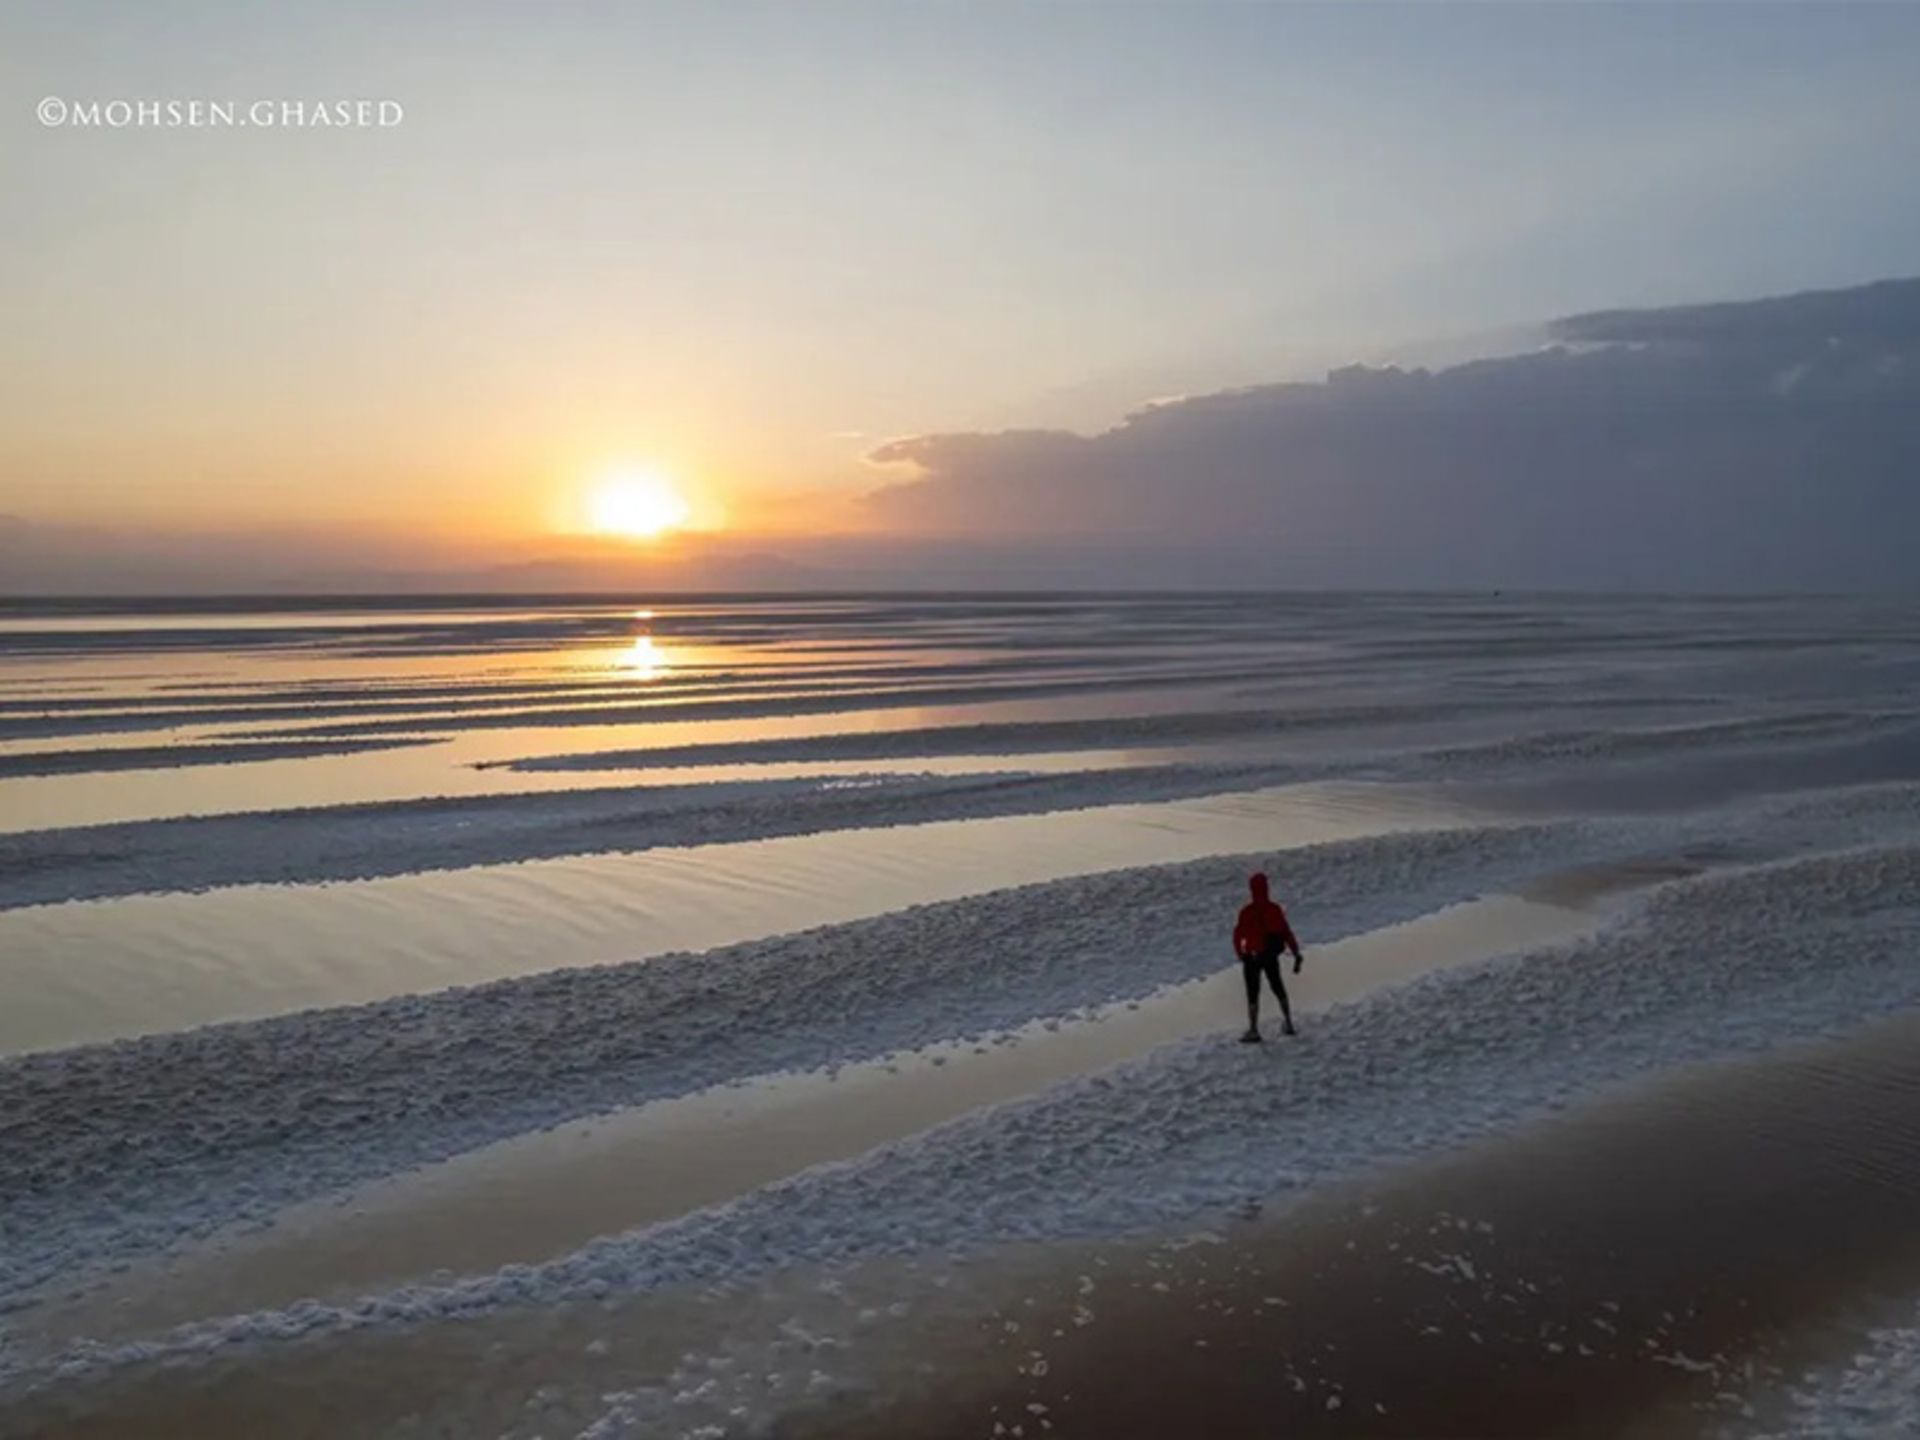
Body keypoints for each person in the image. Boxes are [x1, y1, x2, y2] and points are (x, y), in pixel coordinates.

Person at [1231, 872, 1303, 1043]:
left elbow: (1238, 936)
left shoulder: (1246, 912)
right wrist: (1295, 952)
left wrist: (1241, 954)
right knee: (1278, 987)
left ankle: (1254, 1029)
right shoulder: (1274, 909)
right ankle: (1288, 1022)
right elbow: (1286, 932)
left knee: (1253, 993)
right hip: (1270, 956)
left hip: (1252, 957)